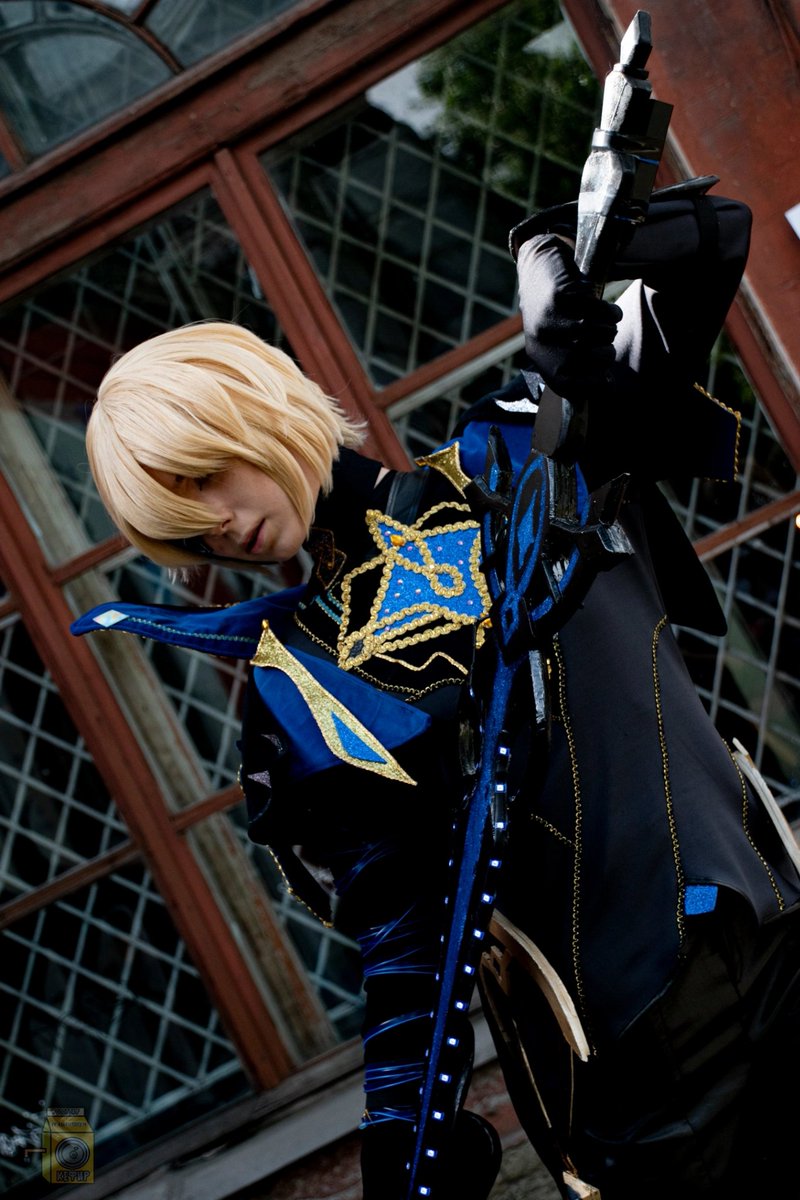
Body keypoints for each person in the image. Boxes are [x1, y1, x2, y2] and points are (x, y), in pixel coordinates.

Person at [72, 178, 800, 1200]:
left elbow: (715, 238)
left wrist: (559, 254)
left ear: (251, 407)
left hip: (775, 929)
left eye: (201, 476)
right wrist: (397, 1141)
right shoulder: (304, 676)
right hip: (643, 1057)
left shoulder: (512, 453)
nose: (218, 526)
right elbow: (401, 938)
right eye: (184, 527)